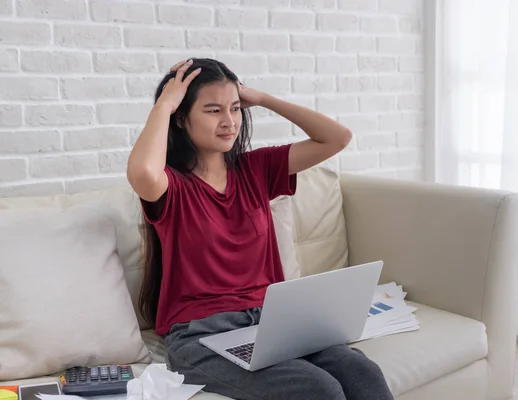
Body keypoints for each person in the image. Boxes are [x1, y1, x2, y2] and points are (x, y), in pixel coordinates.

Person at [127, 58, 394, 400]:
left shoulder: (255, 169)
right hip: (201, 336)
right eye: (213, 111)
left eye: (235, 109)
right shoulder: (172, 187)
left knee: (362, 372)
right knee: (317, 388)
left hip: (273, 323)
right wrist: (165, 103)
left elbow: (336, 138)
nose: (229, 122)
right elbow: (143, 173)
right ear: (181, 118)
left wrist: (264, 99)